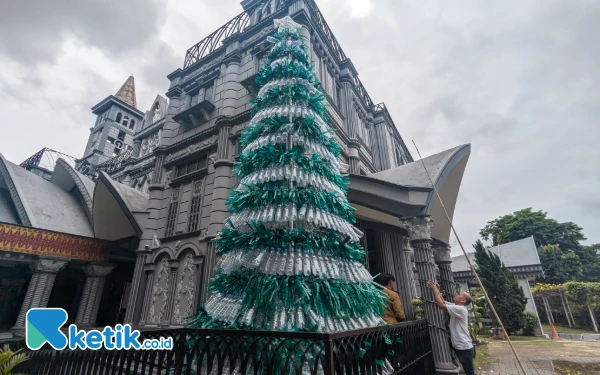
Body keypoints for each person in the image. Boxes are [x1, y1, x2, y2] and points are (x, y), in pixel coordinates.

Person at [426, 280, 475, 375]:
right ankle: (456, 364)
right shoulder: (456, 306)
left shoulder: (461, 309)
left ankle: (457, 365)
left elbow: (441, 305)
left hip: (464, 346)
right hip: (457, 343)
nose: (456, 294)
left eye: (459, 294)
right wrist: (438, 291)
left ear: (463, 300)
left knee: (470, 372)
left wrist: (435, 289)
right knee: (443, 342)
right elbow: (443, 302)